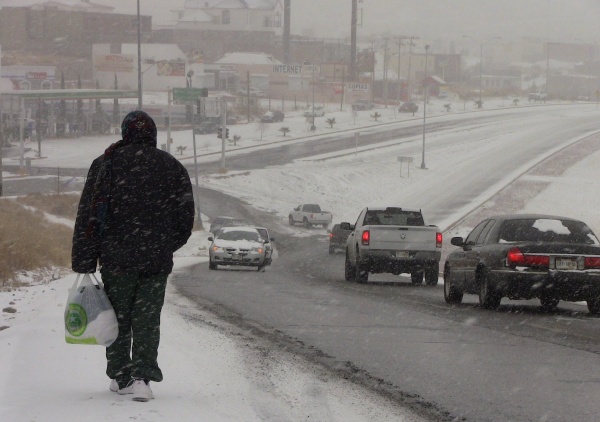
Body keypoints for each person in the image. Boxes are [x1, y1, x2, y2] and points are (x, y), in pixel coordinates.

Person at [72, 110, 195, 402]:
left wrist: (85, 257)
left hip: (116, 260)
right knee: (148, 319)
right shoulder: (171, 166)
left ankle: (120, 375)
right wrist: (164, 245)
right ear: (152, 134)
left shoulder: (105, 164)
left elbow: (88, 216)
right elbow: (185, 219)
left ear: (125, 132)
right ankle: (143, 379)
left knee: (116, 318)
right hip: (156, 261)